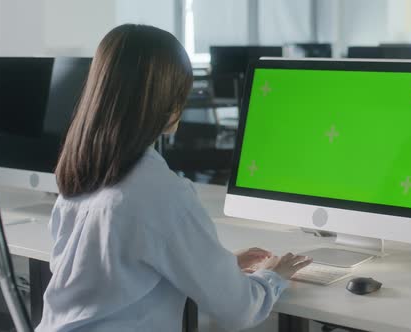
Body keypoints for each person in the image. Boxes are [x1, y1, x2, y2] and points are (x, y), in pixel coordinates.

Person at [36, 24, 312, 332]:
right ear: (166, 104)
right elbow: (239, 310)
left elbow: (110, 273)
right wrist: (274, 275)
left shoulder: (82, 173)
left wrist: (216, 266)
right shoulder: (160, 191)